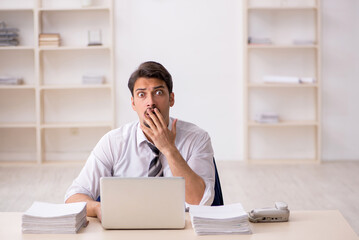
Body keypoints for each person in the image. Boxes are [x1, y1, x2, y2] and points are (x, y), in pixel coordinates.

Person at [65, 61, 215, 221]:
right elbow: (73, 197)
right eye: (142, 94)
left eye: (158, 92)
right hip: (128, 227)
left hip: (182, 229)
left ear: (171, 99)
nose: (150, 102)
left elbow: (200, 202)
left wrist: (169, 150)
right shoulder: (113, 141)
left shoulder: (197, 138)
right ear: (133, 103)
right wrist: (98, 208)